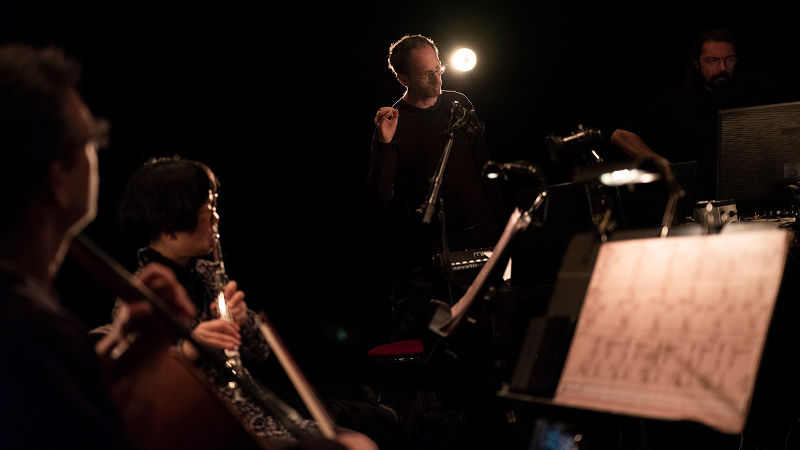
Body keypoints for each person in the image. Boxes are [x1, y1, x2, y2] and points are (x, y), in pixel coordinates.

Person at [0, 44, 197, 449]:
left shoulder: (24, 317)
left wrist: (117, 352)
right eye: (91, 140)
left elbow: (51, 407)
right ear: (57, 180)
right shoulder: (36, 331)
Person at [113, 156, 380, 449]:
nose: (216, 218)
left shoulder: (206, 274)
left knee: (368, 432)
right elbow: (137, 385)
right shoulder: (140, 292)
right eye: (208, 208)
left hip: (256, 415)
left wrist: (243, 320)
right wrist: (189, 348)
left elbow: (260, 351)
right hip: (212, 428)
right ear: (173, 221)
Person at [367, 34, 507, 342]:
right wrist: (384, 144)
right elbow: (381, 195)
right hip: (435, 253)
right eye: (425, 73)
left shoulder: (459, 103)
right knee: (447, 339)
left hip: (483, 237)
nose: (437, 77)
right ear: (402, 78)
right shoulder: (395, 121)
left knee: (494, 331)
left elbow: (486, 169)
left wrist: (505, 230)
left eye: (438, 68)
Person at [609, 28, 781, 206]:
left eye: (729, 59)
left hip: (755, 201)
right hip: (697, 206)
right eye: (712, 60)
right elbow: (621, 135)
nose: (722, 68)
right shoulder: (679, 101)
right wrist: (660, 163)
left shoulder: (757, 91)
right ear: (697, 63)